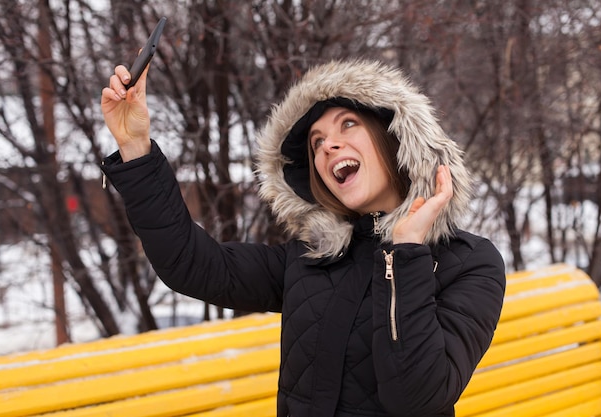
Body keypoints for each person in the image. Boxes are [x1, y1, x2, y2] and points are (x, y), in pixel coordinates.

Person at [101, 58, 506, 417]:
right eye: (315, 143)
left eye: (348, 124)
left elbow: (415, 397)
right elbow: (192, 265)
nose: (328, 146)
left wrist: (406, 253)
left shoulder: (470, 263)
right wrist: (135, 147)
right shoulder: (311, 258)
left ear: (396, 137)